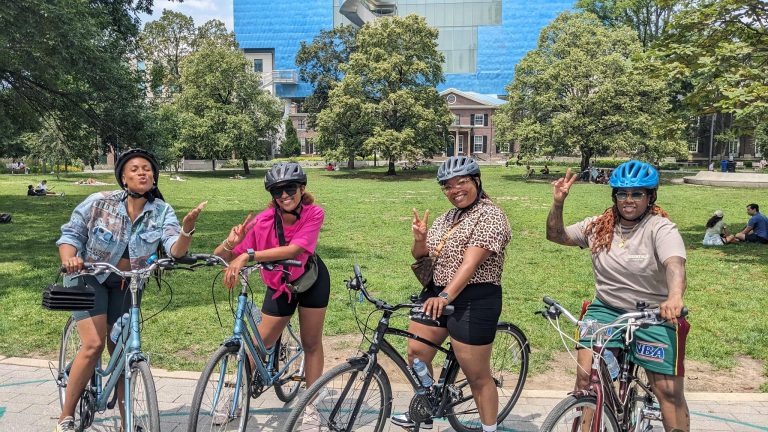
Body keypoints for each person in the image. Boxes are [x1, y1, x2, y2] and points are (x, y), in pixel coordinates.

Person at [54, 148, 206, 432]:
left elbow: (175, 250)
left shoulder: (161, 211)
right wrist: (69, 258)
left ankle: (128, 423)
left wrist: (186, 230)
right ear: (123, 178)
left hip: (127, 283)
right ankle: (66, 417)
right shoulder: (100, 202)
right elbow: (71, 234)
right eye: (135, 169)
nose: (142, 173)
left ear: (154, 177)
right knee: (94, 345)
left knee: (122, 352)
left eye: (147, 169)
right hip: (88, 277)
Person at [546, 160, 690, 432]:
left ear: (650, 197)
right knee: (587, 380)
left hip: (653, 313)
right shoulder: (599, 226)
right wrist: (558, 203)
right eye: (622, 193)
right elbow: (556, 235)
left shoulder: (660, 228)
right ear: (614, 196)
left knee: (668, 392)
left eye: (637, 194)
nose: (629, 200)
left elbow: (674, 264)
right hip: (606, 309)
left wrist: (674, 297)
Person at [392, 156, 511, 431]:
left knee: (477, 376)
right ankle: (425, 410)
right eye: (448, 186)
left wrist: (445, 296)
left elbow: (470, 263)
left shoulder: (491, 215)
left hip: (474, 299)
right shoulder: (447, 217)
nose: (455, 190)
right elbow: (422, 257)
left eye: (462, 182)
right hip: (436, 293)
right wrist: (420, 240)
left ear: (477, 181)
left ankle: (489, 428)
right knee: (417, 353)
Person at [213, 162, 329, 422]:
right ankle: (235, 396)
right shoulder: (262, 220)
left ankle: (311, 408)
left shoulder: (314, 213)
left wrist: (248, 255)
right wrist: (230, 243)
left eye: (290, 188)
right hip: (279, 286)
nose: (285, 195)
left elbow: (294, 250)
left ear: (301, 189)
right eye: (278, 191)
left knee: (311, 343)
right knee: (259, 344)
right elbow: (222, 256)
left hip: (310, 281)